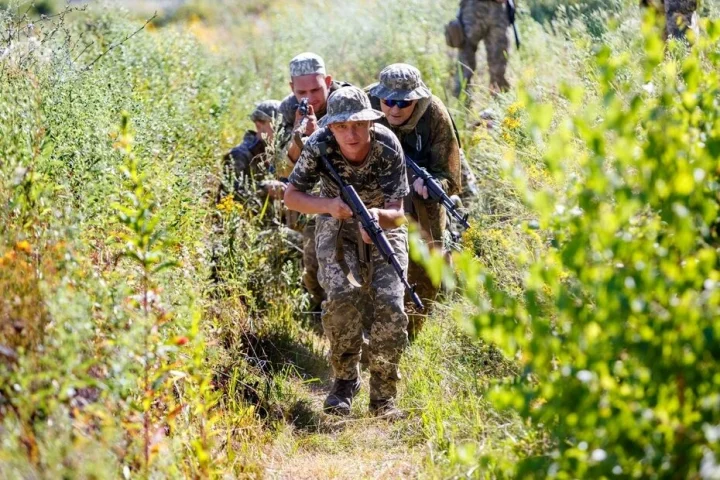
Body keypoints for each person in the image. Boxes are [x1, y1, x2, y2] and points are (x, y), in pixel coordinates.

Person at [284, 86, 410, 419]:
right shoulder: (318, 145)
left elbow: (398, 213)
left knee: (392, 306)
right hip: (336, 221)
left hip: (382, 225)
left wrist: (377, 220)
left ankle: (383, 397)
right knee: (341, 300)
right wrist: (329, 206)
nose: (351, 134)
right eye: (342, 126)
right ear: (331, 127)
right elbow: (292, 196)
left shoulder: (386, 144)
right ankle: (344, 381)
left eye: (358, 125)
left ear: (370, 123)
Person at [367, 64, 462, 338]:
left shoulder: (434, 115)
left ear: (417, 99)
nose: (394, 109)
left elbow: (451, 177)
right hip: (377, 196)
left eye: (404, 103)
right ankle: (375, 334)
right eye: (388, 101)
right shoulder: (366, 106)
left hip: (422, 205)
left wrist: (433, 184)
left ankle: (411, 337)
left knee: (426, 272)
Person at [278, 53, 351, 311]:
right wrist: (298, 137)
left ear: (328, 81)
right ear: (292, 88)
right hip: (314, 195)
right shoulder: (287, 110)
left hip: (352, 185)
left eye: (316, 89)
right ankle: (321, 310)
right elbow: (280, 167)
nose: (309, 97)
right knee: (314, 262)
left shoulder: (346, 99)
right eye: (301, 91)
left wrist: (320, 130)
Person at [453, 0, 511, 97]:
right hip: (473, 8)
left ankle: (500, 105)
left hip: (499, 9)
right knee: (465, 63)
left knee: (499, 65)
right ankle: (461, 106)